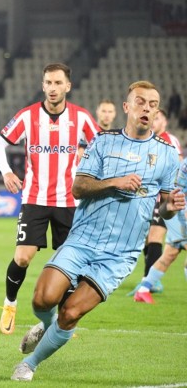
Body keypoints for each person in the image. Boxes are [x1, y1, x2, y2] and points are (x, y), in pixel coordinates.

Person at [11, 80, 185, 382]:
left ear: (157, 112)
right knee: (42, 299)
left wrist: (173, 206)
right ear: (126, 107)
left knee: (71, 313)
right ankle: (44, 325)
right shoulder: (103, 142)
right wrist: (113, 182)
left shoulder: (168, 155)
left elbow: (166, 207)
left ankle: (30, 364)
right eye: (140, 102)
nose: (146, 108)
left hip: (120, 253)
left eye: (152, 104)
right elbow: (79, 187)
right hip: (83, 240)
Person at [0, 63, 100, 335]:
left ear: (68, 86)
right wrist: (5, 172)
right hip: (35, 198)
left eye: (57, 83)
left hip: (70, 202)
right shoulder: (27, 116)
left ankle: (62, 321)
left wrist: (90, 167)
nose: (52, 88)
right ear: (43, 85)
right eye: (48, 83)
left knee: (71, 263)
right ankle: (9, 304)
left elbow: (103, 147)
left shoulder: (81, 117)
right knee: (23, 257)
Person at [129, 108, 183, 298]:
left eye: (158, 118)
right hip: (147, 198)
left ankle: (147, 283)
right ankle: (150, 281)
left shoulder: (170, 141)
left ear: (165, 122)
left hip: (165, 199)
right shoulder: (146, 141)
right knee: (149, 240)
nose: (153, 121)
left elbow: (178, 171)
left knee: (155, 237)